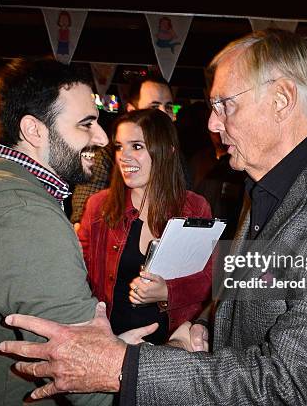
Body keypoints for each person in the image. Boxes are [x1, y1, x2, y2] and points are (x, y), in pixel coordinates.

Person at [0, 29, 307, 405]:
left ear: (281, 99)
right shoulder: (266, 180)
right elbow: (255, 291)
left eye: (223, 105)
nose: (212, 123)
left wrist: (122, 366)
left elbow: (289, 381)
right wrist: (204, 327)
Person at [0, 58, 128, 405]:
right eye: (86, 124)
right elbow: (91, 386)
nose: (103, 137)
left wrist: (118, 351)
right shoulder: (22, 215)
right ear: (34, 130)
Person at [78, 109, 212, 345]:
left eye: (137, 146)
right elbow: (78, 277)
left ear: (167, 151)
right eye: (119, 147)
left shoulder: (194, 207)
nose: (124, 156)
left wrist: (168, 292)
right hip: (113, 344)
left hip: (172, 346)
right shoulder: (99, 207)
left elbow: (209, 279)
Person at [70, 75, 176, 228]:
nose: (163, 113)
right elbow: (83, 220)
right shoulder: (105, 157)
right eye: (154, 107)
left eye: (168, 107)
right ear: (131, 111)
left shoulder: (180, 161)